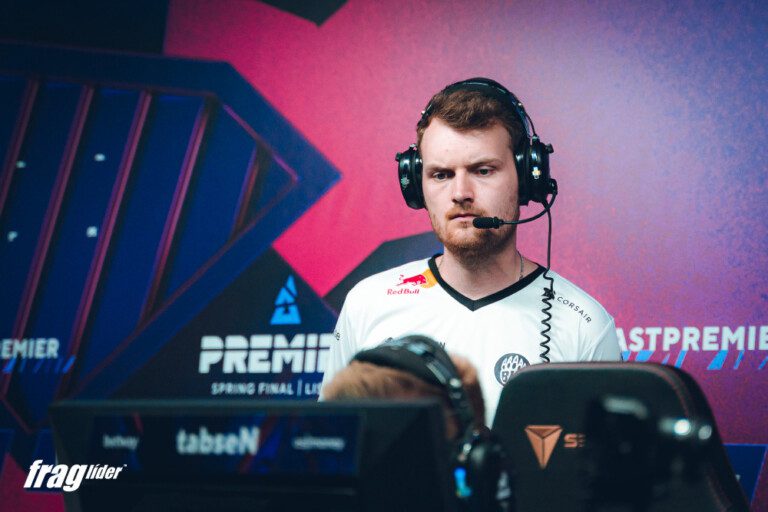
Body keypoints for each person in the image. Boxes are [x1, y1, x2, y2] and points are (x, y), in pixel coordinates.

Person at [320, 77, 622, 424]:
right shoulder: (368, 304)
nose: (460, 192)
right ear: (416, 185)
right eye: (441, 175)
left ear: (526, 177)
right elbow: (330, 443)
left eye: (483, 171)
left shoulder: (583, 324)